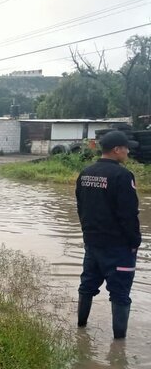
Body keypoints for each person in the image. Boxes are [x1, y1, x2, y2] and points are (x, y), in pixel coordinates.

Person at [75, 130, 141, 339]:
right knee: (120, 294)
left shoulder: (85, 173)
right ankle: (119, 345)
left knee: (87, 286)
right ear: (117, 150)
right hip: (119, 247)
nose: (128, 152)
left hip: (92, 244)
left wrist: (88, 234)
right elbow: (128, 215)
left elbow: (81, 207)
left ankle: (81, 328)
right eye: (126, 148)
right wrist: (135, 242)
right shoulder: (122, 175)